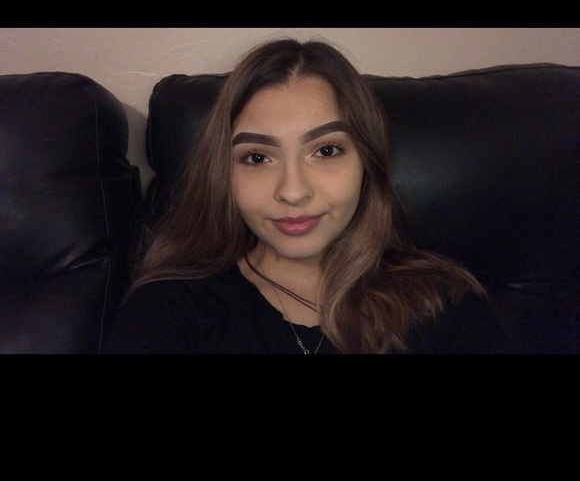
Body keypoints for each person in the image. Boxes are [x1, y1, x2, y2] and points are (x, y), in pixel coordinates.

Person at [103, 37, 510, 354]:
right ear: (223, 173)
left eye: (327, 151)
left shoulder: (441, 303)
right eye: (257, 157)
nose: (293, 192)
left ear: (367, 162)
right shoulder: (169, 310)